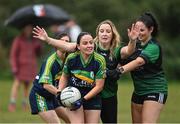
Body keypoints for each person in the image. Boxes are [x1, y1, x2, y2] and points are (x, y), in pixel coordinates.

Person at [32, 20, 139, 123]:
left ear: (113, 34)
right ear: (97, 34)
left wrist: (133, 40)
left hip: (107, 94)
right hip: (83, 92)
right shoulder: (89, 46)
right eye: (101, 31)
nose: (105, 34)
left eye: (108, 31)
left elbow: (129, 51)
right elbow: (67, 46)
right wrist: (48, 40)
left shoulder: (115, 50)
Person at [116, 12, 168, 123]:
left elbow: (138, 62)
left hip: (155, 90)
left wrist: (118, 71)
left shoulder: (154, 47)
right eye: (136, 30)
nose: (138, 33)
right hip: (138, 92)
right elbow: (120, 59)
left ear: (151, 29)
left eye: (142, 30)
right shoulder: (134, 46)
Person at [56, 32, 106, 123]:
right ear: (78, 46)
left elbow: (99, 86)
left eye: (91, 42)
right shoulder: (71, 58)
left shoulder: (99, 60)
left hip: (92, 98)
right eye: (85, 43)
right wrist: (59, 92)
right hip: (73, 97)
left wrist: (82, 100)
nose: (89, 45)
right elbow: (64, 76)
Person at [29, 33, 70, 123]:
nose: (64, 43)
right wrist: (63, 95)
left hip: (53, 95)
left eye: (67, 41)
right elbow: (46, 85)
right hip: (40, 95)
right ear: (56, 44)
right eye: (61, 41)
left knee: (72, 120)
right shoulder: (50, 61)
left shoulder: (70, 59)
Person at [8, 24, 42, 112]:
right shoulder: (18, 39)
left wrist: (39, 44)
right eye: (27, 28)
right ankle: (12, 103)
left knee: (28, 86)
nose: (28, 30)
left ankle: (25, 103)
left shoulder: (34, 40)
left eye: (30, 29)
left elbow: (38, 53)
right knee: (17, 84)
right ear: (23, 29)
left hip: (31, 66)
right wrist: (14, 66)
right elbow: (13, 54)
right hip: (21, 66)